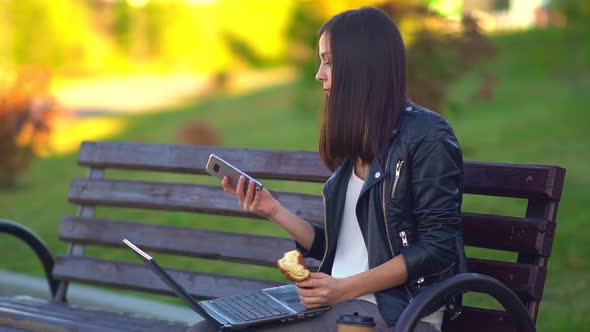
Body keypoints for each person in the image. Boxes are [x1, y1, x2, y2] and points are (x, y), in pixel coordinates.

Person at [188, 6, 466, 332]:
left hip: (399, 313)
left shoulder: (427, 136)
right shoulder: (359, 144)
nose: (319, 73)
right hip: (340, 305)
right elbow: (343, 249)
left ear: (361, 66)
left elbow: (437, 249)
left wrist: (343, 288)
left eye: (329, 61)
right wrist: (273, 210)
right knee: (205, 328)